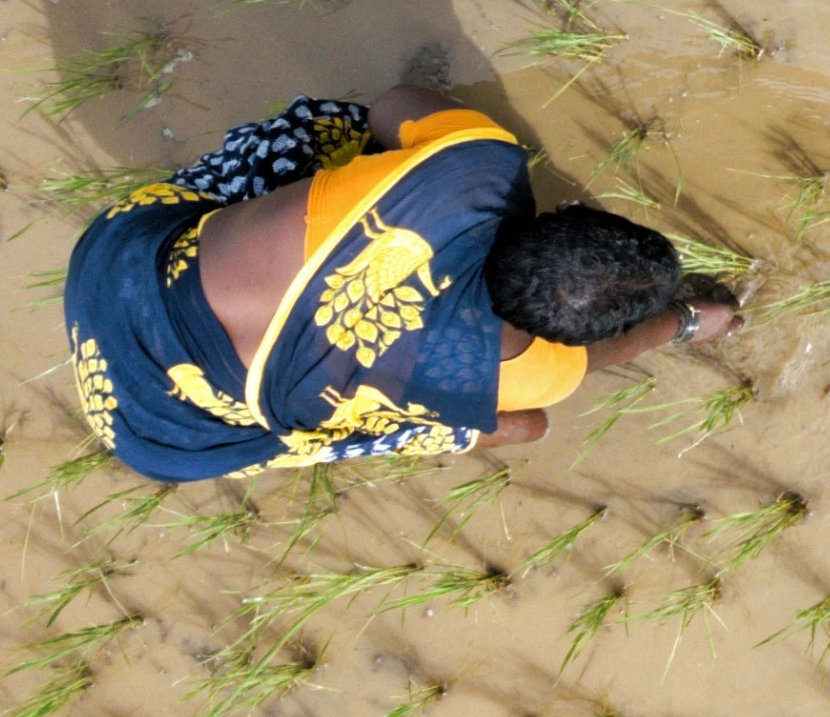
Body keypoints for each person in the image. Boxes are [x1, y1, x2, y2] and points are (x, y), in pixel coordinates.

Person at [63, 84, 741, 482]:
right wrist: (686, 322)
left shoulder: (474, 165)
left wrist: (409, 164)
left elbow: (393, 101)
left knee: (331, 130)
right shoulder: (525, 366)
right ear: (554, 337)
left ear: (568, 209)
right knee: (523, 426)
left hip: (118, 262)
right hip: (159, 425)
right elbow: (609, 352)